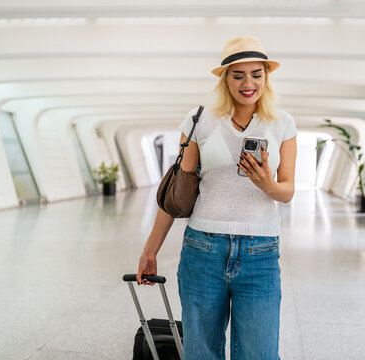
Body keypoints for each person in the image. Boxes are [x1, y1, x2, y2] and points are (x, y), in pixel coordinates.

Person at [136, 35, 297, 360]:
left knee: (260, 354)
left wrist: (266, 183)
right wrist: (150, 250)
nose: (248, 83)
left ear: (266, 76)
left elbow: (288, 189)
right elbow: (177, 193)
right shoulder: (200, 120)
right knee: (201, 353)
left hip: (260, 252)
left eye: (256, 74)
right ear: (225, 78)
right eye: (238, 75)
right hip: (203, 250)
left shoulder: (282, 123)